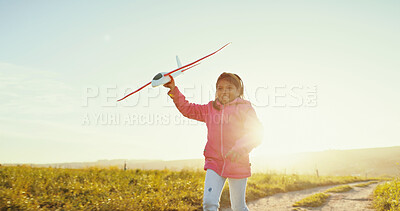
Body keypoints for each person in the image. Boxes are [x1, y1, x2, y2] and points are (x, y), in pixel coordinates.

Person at [164, 72, 263, 211]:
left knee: (238, 207)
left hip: (237, 161)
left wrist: (239, 148)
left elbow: (256, 133)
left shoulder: (245, 108)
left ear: (238, 90)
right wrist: (173, 90)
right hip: (214, 162)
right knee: (209, 203)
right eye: (220, 88)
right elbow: (188, 109)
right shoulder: (210, 109)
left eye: (229, 88)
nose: (224, 91)